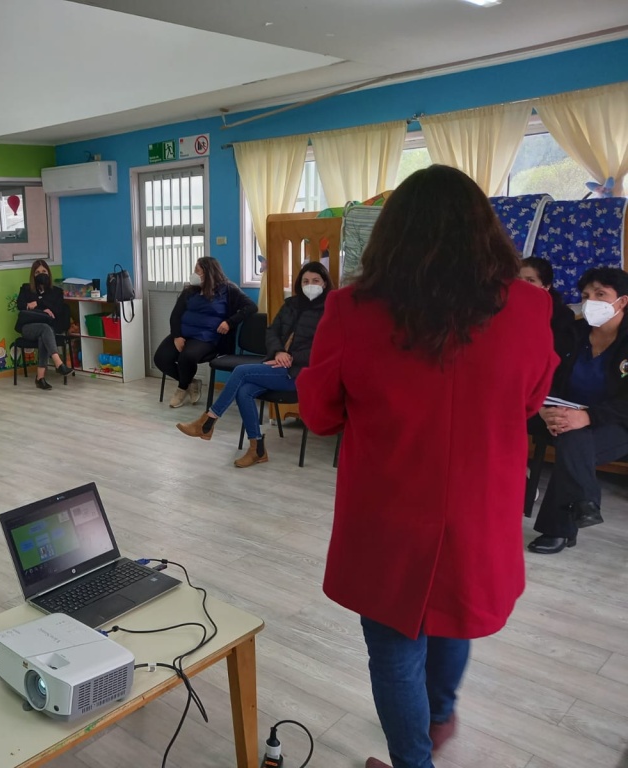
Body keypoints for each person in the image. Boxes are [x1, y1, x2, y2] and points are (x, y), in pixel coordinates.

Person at [295, 166, 556, 768]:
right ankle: (439, 716)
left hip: (387, 512)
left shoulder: (351, 309)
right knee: (453, 619)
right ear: (486, 232)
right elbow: (531, 399)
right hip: (481, 508)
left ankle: (413, 760)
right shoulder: (528, 307)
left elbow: (321, 414)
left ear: (391, 234)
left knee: (392, 647)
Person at [176, 262, 330, 468]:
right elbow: (272, 331)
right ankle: (257, 448)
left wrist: (290, 356)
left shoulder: (331, 310)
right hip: (278, 364)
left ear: (325, 283)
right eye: (305, 281)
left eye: (315, 281)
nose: (310, 285)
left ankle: (208, 422)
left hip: (304, 373)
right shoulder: (291, 304)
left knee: (241, 372)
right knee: (245, 390)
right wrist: (278, 352)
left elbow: (328, 348)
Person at [529, 266, 628, 555]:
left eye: (600, 294)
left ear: (622, 301)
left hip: (615, 423)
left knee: (574, 440)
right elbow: (543, 378)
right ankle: (583, 504)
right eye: (585, 295)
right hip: (561, 415)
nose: (590, 301)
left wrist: (587, 416)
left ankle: (559, 527)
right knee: (574, 438)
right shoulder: (571, 333)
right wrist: (544, 408)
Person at [154, 257, 257, 407]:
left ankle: (182, 389)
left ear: (208, 273)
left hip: (207, 337)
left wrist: (229, 322)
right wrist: (177, 336)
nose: (194, 274)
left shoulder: (228, 289)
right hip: (184, 333)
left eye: (197, 271)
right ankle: (191, 383)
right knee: (160, 358)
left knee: (187, 357)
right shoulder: (189, 291)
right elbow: (176, 315)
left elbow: (251, 307)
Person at [15, 259, 74, 390]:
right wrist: (42, 307)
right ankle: (59, 364)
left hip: (48, 328)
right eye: (37, 272)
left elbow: (57, 310)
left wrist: (37, 304)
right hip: (28, 328)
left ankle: (40, 378)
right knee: (44, 329)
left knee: (44, 333)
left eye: (44, 271)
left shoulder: (56, 292)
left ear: (49, 273)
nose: (41, 274)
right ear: (33, 275)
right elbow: (20, 305)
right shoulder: (26, 289)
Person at [519, 256, 576, 354]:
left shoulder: (561, 315)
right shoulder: (504, 308)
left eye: (530, 280)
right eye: (518, 279)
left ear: (546, 286)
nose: (522, 285)